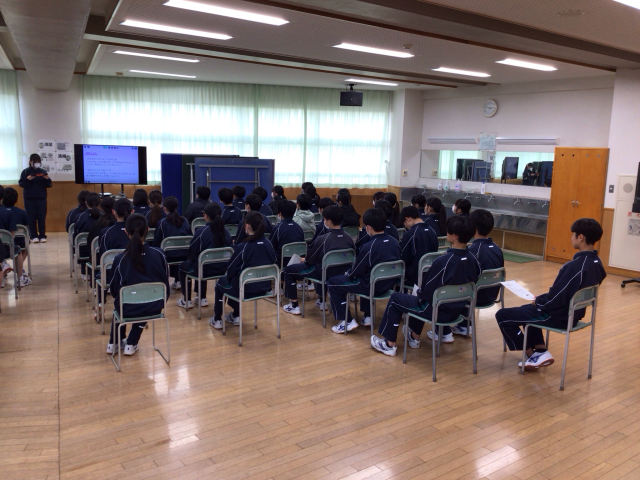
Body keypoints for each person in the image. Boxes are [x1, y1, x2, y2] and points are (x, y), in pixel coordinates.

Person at [495, 218, 606, 371]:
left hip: (559, 316)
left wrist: (539, 301)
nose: (571, 238)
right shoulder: (597, 263)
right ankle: (541, 351)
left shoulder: (574, 266)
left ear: (580, 237)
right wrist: (541, 300)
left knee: (503, 315)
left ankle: (531, 355)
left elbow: (556, 298)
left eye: (573, 234)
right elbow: (566, 292)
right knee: (528, 310)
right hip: (574, 314)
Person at [370, 216, 480, 356]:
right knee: (421, 296)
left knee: (397, 298)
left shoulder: (443, 261)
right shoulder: (474, 260)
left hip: (437, 311)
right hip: (457, 311)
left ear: (454, 236)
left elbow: (427, 291)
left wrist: (419, 293)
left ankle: (389, 344)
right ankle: (414, 336)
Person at [326, 208, 401, 333]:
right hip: (388, 284)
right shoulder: (395, 242)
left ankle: (347, 321)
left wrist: (348, 274)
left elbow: (356, 271)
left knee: (333, 283)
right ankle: (367, 316)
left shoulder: (368, 247)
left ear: (368, 227)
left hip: (371, 286)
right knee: (368, 275)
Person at [107, 214, 170, 356]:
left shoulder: (120, 259)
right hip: (156, 305)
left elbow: (114, 289)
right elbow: (165, 283)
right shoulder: (159, 254)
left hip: (127, 308)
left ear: (126, 232)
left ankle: (113, 343)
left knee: (121, 303)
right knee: (144, 304)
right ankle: (131, 343)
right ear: (147, 230)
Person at [208, 211, 277, 330]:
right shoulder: (269, 244)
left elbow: (230, 269)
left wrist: (230, 277)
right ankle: (235, 316)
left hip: (246, 289)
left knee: (221, 283)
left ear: (247, 226)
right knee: (235, 280)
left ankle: (217, 319)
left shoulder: (244, 246)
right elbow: (274, 262)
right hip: (265, 288)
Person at [282, 205, 355, 315]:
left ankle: (294, 305)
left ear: (328, 221)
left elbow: (310, 259)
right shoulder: (349, 238)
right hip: (342, 272)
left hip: (322, 272)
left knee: (288, 270)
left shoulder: (323, 239)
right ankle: (321, 300)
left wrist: (304, 259)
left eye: (324, 219)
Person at [449, 209, 505, 337]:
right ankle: (463, 324)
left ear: (472, 227)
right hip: (493, 294)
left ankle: (453, 327)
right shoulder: (497, 248)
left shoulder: (473, 251)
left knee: (449, 285)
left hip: (477, 297)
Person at [178, 203, 232, 309]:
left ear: (205, 215)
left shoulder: (201, 232)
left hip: (204, 270)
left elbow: (191, 254)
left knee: (184, 266)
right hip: (223, 269)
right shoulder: (226, 232)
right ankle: (201, 298)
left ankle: (187, 300)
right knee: (201, 263)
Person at [95, 198, 133, 318]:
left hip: (111, 275)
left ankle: (100, 303)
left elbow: (103, 256)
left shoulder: (106, 232)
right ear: (132, 211)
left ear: (113, 212)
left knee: (101, 273)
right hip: (133, 273)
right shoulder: (136, 231)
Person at [154, 196, 192, 289]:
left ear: (164, 209)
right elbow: (190, 237)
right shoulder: (185, 221)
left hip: (168, 256)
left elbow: (156, 242)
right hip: (185, 254)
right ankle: (178, 280)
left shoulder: (162, 222)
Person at [399, 206, 439, 288]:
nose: (406, 227)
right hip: (429, 274)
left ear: (407, 219)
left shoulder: (411, 233)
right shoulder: (432, 230)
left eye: (404, 224)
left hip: (413, 276)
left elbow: (403, 258)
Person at [18, 153, 52, 243]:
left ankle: (42, 236)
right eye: (35, 161)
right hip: (29, 198)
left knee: (41, 217)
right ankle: (33, 236)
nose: (37, 163)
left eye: (38, 162)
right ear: (30, 161)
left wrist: (47, 178)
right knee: (30, 218)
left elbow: (49, 185)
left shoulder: (42, 171)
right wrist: (28, 179)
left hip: (41, 198)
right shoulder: (25, 171)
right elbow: (21, 184)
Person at [0, 186, 30, 287]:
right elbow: (12, 235)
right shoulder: (13, 213)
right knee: (19, 248)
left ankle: (3, 266)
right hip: (9, 246)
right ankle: (20, 276)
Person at [269, 199, 305, 267]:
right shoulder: (299, 228)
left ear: (279, 213)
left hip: (281, 263)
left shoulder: (277, 228)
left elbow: (271, 247)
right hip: (297, 262)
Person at [74, 192, 102, 278]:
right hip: (100, 252)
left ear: (86, 203)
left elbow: (76, 234)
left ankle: (84, 272)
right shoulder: (104, 217)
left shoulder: (80, 217)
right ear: (99, 203)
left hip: (83, 251)